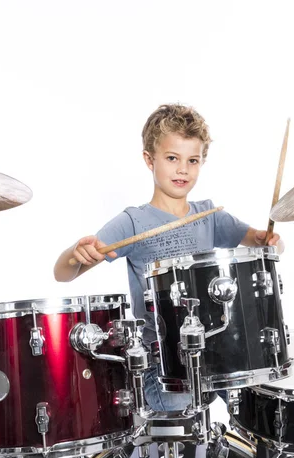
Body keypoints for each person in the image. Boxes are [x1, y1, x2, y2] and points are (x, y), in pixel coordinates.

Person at [54, 103, 282, 411]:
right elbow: (63, 273)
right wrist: (75, 254)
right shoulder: (133, 222)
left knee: (264, 400)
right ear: (150, 159)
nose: (183, 170)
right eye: (172, 158)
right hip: (160, 362)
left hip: (214, 349)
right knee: (181, 404)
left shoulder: (209, 215)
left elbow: (262, 244)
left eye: (193, 160)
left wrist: (268, 241)